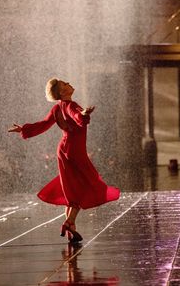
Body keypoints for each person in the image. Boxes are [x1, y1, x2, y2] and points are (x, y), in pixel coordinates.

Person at [8, 78, 120, 243]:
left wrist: (24, 129)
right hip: (75, 150)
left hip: (63, 150)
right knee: (85, 185)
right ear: (62, 92)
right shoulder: (71, 105)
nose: (68, 83)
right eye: (64, 84)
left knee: (71, 188)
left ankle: (71, 229)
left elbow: (43, 125)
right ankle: (69, 222)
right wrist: (82, 114)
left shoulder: (57, 108)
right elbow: (75, 115)